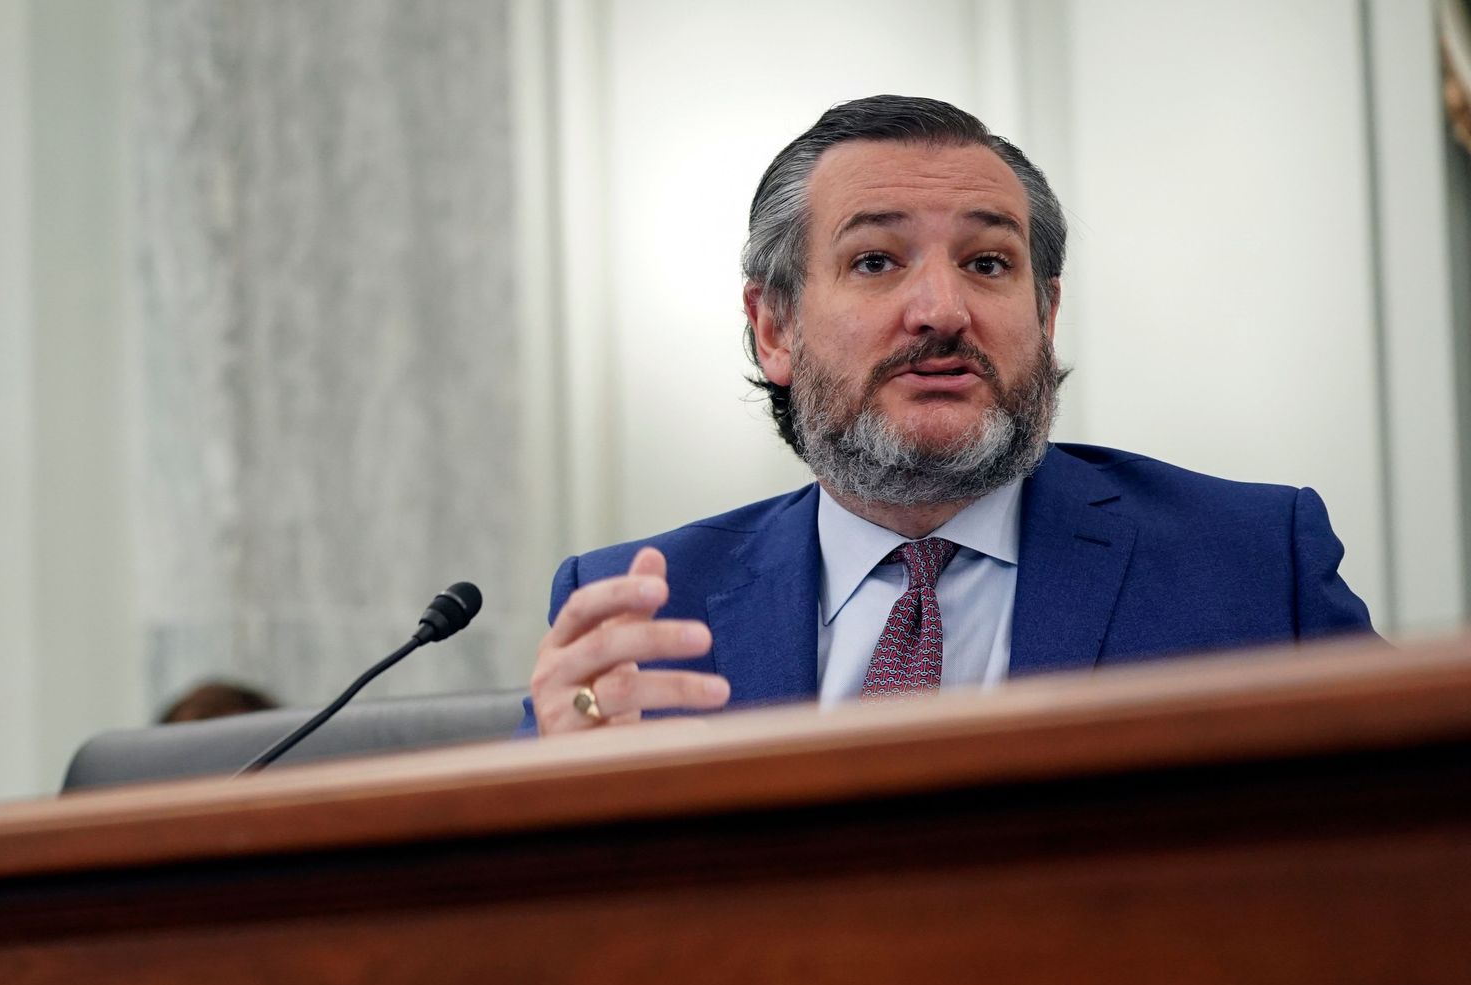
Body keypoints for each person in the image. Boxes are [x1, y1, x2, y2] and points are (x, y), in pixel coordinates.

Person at [524, 95, 1374, 736]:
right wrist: (551, 811)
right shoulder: (638, 616)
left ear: (1044, 316)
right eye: (875, 260)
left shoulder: (1254, 563)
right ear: (773, 328)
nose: (941, 309)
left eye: (988, 261)